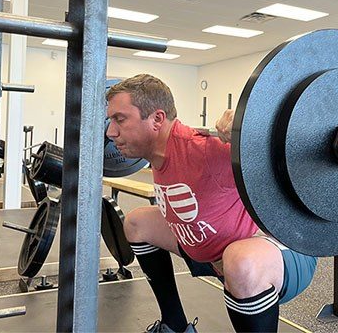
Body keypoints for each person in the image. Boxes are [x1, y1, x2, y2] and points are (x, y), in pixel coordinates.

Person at [106, 74, 317, 333]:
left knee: (241, 262)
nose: (110, 132)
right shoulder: (160, 153)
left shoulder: (208, 149)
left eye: (120, 119)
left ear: (157, 119)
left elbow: (298, 156)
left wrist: (251, 129)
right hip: (212, 250)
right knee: (138, 222)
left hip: (284, 253)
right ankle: (175, 326)